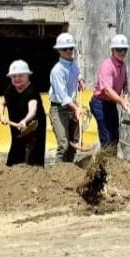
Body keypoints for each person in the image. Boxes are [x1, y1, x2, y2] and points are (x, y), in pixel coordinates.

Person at [1, 59, 46, 167]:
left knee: (32, 155)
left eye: (20, 75)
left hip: (33, 126)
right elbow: (2, 103)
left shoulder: (32, 91)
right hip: (17, 127)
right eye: (14, 76)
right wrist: (2, 115)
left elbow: (33, 111)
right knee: (15, 152)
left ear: (27, 76)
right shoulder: (10, 89)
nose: (17, 79)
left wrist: (25, 121)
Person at [91, 34, 130, 152]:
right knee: (107, 137)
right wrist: (121, 101)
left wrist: (126, 98)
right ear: (112, 50)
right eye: (119, 50)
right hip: (100, 103)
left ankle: (112, 164)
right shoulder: (107, 66)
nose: (122, 52)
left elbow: (125, 86)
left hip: (111, 103)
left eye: (124, 50)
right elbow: (107, 90)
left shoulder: (123, 66)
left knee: (115, 137)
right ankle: (104, 166)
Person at [49, 32, 85, 163]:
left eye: (71, 48)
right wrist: (76, 108)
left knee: (73, 144)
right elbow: (62, 96)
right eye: (65, 49)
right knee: (63, 145)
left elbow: (77, 73)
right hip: (59, 109)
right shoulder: (57, 71)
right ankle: (58, 173)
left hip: (72, 107)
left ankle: (69, 171)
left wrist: (80, 79)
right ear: (59, 50)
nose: (69, 51)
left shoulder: (73, 63)